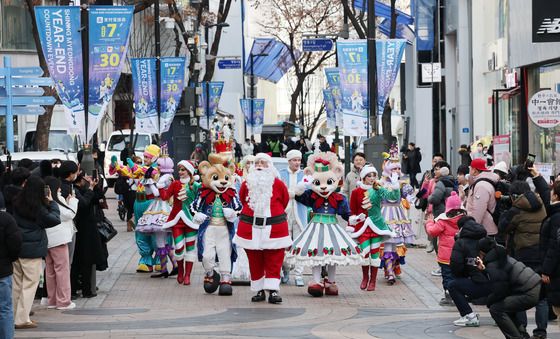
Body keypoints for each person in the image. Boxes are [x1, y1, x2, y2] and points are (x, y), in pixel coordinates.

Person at [287, 152, 362, 297]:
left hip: (332, 227)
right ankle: (316, 281)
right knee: (317, 254)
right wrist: (302, 184)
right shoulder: (311, 195)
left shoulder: (339, 198)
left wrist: (352, 219)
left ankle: (331, 282)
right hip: (315, 227)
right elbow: (297, 195)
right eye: (317, 183)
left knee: (332, 255)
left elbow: (346, 213)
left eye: (328, 183)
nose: (323, 187)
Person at [234, 153, 290, 303]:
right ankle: (259, 290)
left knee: (275, 259)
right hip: (250, 228)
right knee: (254, 260)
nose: (259, 165)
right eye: (257, 163)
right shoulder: (247, 184)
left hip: (274, 228)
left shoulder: (278, 184)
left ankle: (273, 290)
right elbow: (242, 198)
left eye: (263, 163)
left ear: (270, 167)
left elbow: (284, 201)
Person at [498, 179, 548, 338]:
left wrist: (505, 210)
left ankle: (521, 329)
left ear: (514, 196)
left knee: (520, 293)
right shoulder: (542, 205)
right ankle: (541, 332)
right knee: (541, 297)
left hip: (523, 257)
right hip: (541, 255)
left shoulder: (515, 210)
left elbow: (503, 228)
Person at [12, 176, 61, 329]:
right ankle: (21, 319)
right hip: (32, 250)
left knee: (16, 285)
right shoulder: (38, 208)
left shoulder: (17, 201)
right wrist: (52, 202)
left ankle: (13, 316)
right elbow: (55, 219)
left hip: (17, 247)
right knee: (30, 284)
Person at [479, 237, 542, 339]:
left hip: (529, 292)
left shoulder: (493, 264)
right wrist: (484, 270)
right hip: (536, 287)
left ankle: (516, 336)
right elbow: (502, 281)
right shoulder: (501, 256)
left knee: (496, 309)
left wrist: (489, 301)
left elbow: (500, 290)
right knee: (505, 306)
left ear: (482, 252)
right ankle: (522, 334)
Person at [348, 164, 398, 291]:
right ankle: (365, 278)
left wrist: (395, 185)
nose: (371, 178)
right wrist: (354, 220)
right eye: (369, 176)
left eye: (374, 175)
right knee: (365, 254)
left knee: (375, 255)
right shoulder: (355, 192)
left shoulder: (378, 189)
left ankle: (373, 281)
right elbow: (352, 210)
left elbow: (392, 197)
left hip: (376, 226)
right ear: (363, 177)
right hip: (362, 227)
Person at [136, 153, 178, 278]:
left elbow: (156, 193)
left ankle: (171, 267)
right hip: (159, 208)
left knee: (161, 241)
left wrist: (149, 181)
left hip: (161, 208)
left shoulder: (166, 178)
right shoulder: (165, 177)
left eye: (159, 164)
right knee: (163, 242)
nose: (157, 166)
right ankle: (168, 268)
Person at [158, 160, 200, 285]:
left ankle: (188, 275)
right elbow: (165, 197)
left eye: (183, 169)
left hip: (191, 221)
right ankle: (180, 271)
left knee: (191, 249)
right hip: (177, 221)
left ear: (189, 171)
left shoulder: (195, 186)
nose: (180, 172)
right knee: (179, 248)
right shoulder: (175, 184)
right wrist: (160, 185)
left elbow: (202, 199)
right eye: (179, 169)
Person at [448, 216, 490, 327]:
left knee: (453, 285)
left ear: (461, 228)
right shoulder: (487, 239)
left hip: (479, 282)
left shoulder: (461, 242)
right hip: (497, 280)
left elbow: (456, 266)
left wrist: (464, 276)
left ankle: (469, 316)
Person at [425, 192, 466, 306]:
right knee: (458, 275)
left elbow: (432, 231)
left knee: (447, 276)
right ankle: (459, 295)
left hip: (445, 256)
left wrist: (429, 222)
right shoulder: (464, 219)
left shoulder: (443, 221)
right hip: (460, 255)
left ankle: (449, 296)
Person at [71, 171, 107, 298]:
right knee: (79, 261)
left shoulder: (84, 190)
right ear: (80, 180)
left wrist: (95, 186)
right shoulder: (75, 191)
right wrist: (90, 189)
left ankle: (85, 289)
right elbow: (84, 204)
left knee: (87, 261)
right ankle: (77, 289)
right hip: (81, 229)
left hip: (88, 229)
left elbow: (99, 199)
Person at [44, 176, 78, 310]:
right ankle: (64, 301)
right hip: (58, 239)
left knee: (50, 270)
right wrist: (73, 201)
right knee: (62, 270)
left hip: (47, 239)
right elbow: (69, 214)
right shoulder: (56, 200)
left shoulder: (43, 200)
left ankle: (52, 300)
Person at [278, 150, 308, 287]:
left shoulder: (305, 175)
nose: (297, 162)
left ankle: (299, 274)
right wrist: (291, 193)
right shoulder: (281, 174)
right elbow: (278, 192)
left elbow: (307, 192)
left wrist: (295, 193)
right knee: (283, 245)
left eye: (298, 160)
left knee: (299, 246)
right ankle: (285, 270)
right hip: (283, 215)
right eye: (294, 160)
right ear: (289, 161)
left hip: (300, 215)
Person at [0, 211, 22, 338]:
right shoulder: (6, 219)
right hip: (2, 271)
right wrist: (10, 259)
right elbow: (16, 243)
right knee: (5, 309)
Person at [541, 180, 560, 320]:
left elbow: (555, 245)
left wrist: (546, 269)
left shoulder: (556, 217)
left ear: (556, 196)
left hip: (557, 269)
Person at [466, 158, 499, 237]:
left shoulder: (481, 186)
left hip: (485, 230)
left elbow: (478, 210)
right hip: (484, 228)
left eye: (470, 169)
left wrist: (472, 228)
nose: (469, 171)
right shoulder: (484, 182)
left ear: (474, 170)